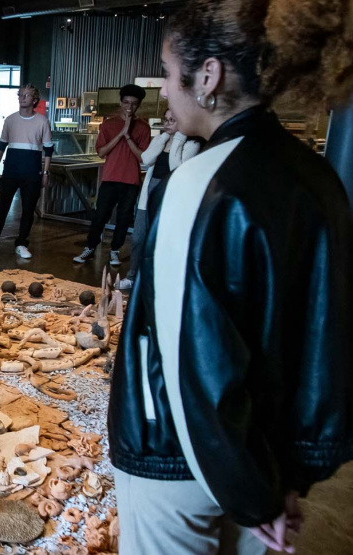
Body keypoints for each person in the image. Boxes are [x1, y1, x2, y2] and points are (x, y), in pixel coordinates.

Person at [107, 0, 353, 554]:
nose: (165, 91)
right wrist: (286, 480)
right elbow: (326, 346)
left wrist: (252, 497)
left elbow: (192, 365)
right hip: (267, 460)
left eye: (169, 75)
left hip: (180, 460)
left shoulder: (196, 185)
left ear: (209, 76)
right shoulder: (319, 179)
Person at [117, 109, 199, 290]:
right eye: (166, 119)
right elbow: (146, 158)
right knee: (138, 238)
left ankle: (157, 281)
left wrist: (178, 138)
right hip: (148, 194)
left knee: (161, 241)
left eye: (173, 120)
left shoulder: (191, 144)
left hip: (169, 197)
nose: (168, 123)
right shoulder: (160, 140)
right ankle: (132, 277)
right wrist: (162, 139)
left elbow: (176, 168)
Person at [73, 84, 151, 266]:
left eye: (134, 104)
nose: (129, 107)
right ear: (120, 102)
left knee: (124, 218)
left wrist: (128, 135)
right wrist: (121, 133)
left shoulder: (143, 127)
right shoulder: (109, 124)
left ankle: (115, 251)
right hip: (110, 178)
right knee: (100, 216)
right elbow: (101, 152)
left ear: (139, 105)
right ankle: (90, 248)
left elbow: (142, 157)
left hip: (131, 180)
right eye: (126, 103)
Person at [0, 83, 53, 260]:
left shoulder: (42, 121)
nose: (22, 98)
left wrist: (45, 173)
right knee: (1, 207)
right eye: (20, 95)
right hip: (11, 170)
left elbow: (48, 149)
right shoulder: (10, 120)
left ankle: (21, 243)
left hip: (32, 172)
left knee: (28, 210)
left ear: (34, 100)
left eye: (26, 95)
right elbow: (2, 144)